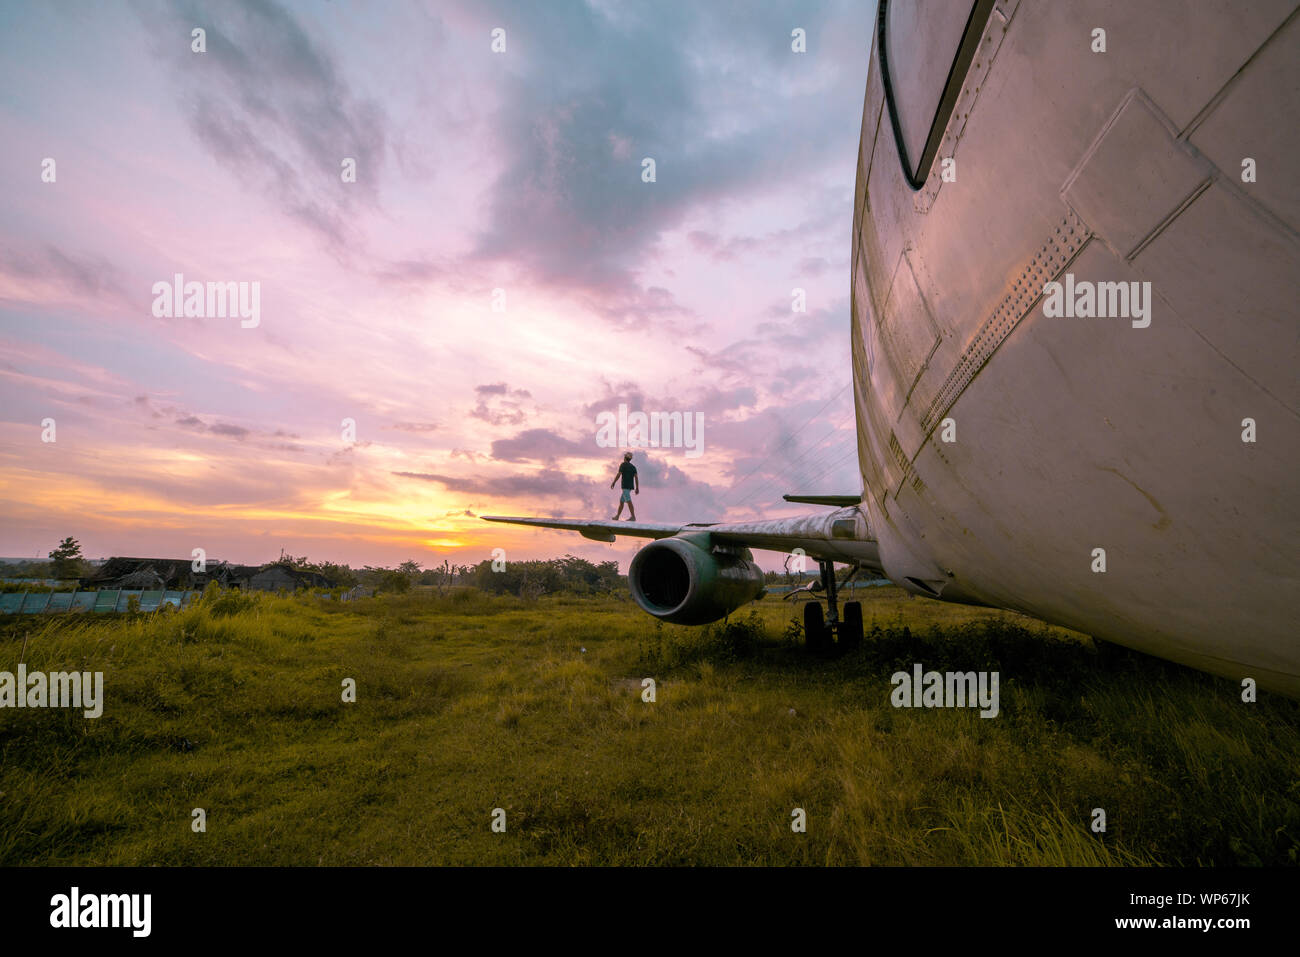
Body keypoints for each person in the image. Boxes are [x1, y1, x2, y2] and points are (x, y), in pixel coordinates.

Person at [610, 451, 638, 520]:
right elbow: (636, 477)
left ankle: (633, 516)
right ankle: (617, 516)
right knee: (622, 501)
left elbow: (619, 474)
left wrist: (614, 482)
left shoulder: (623, 465)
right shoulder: (633, 467)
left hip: (625, 486)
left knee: (629, 501)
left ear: (625, 458)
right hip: (630, 487)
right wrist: (637, 488)